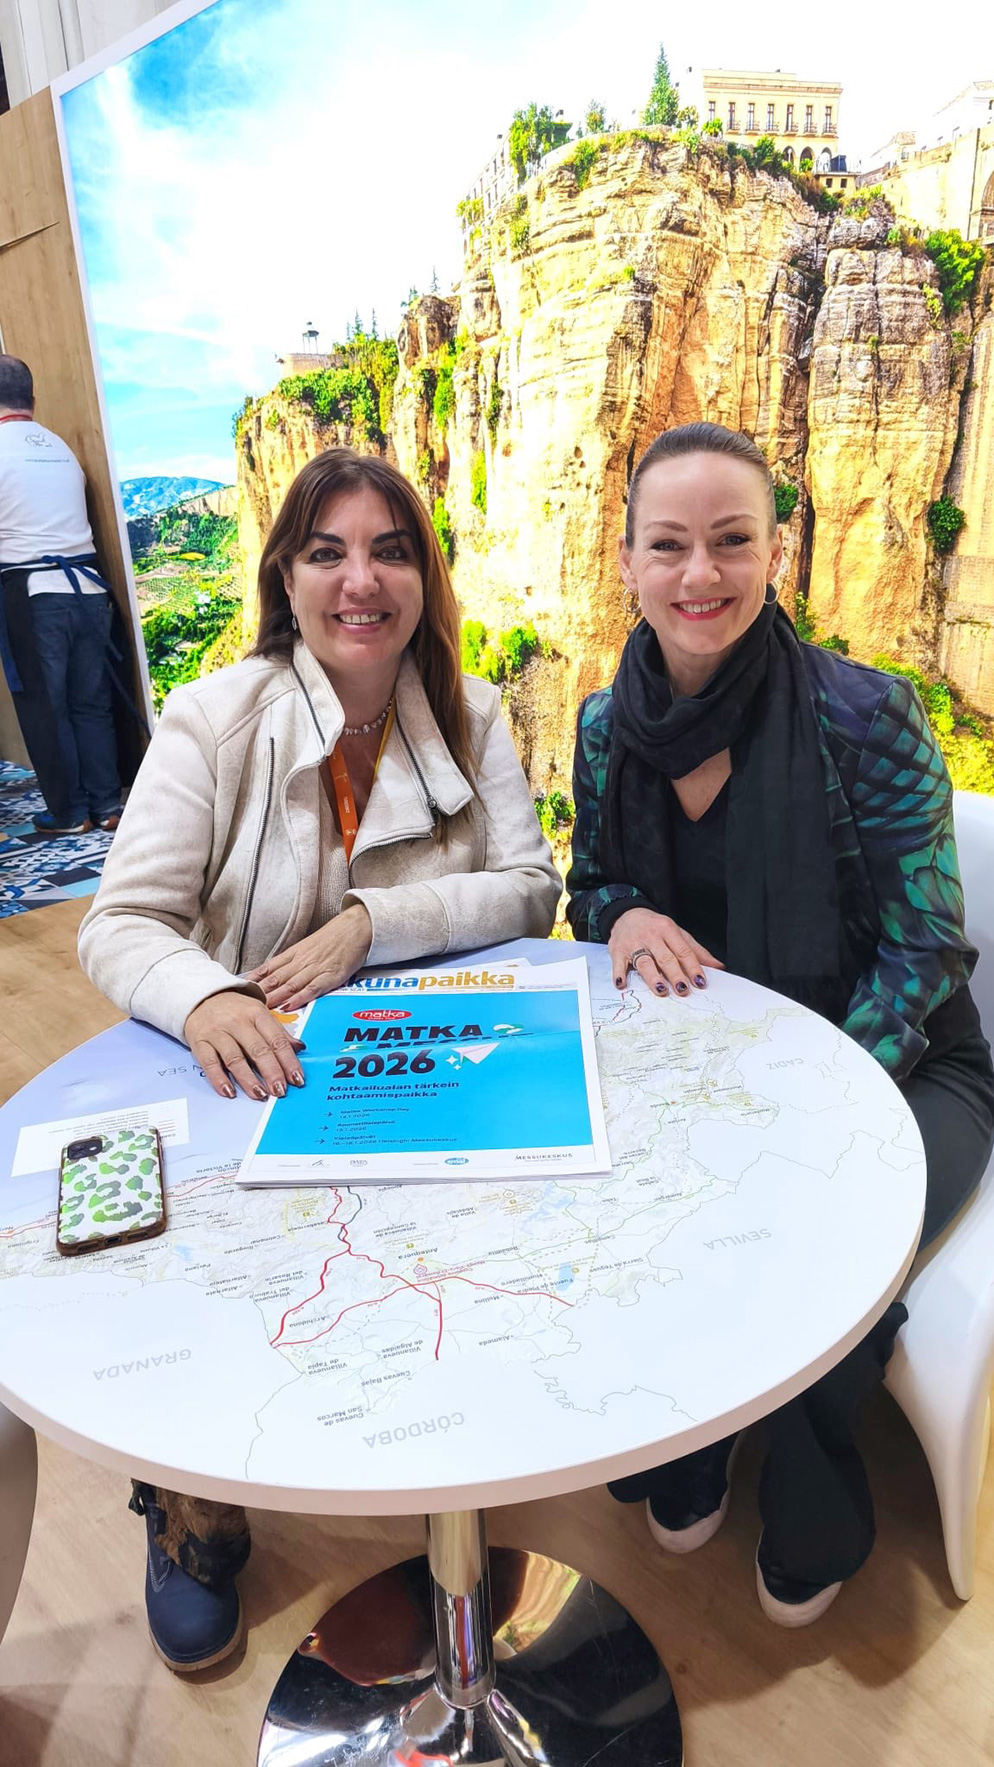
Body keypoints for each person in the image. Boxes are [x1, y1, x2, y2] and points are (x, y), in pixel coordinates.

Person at [78, 447, 561, 1671]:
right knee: (192, 1284)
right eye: (328, 552)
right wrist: (202, 998)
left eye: (391, 552)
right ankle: (191, 1516)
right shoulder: (211, 717)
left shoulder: (472, 713)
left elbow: (530, 888)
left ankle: (439, 1441)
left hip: (409, 1067)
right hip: (244, 1068)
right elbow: (118, 924)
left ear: (423, 578)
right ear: (284, 578)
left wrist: (369, 925)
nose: (362, 581)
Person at [567, 421, 994, 1628]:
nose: (699, 573)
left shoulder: (868, 718)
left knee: (826, 1244)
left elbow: (925, 950)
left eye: (731, 540)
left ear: (774, 553)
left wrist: (811, 1091)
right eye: (668, 545)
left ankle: (813, 1508)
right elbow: (589, 889)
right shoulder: (605, 728)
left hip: (906, 1065)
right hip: (704, 1055)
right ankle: (691, 1436)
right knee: (616, 1200)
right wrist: (625, 913)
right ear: (628, 562)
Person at [0, 355, 123, 834]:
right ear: (31, 399)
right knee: (90, 703)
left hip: (33, 595)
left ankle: (70, 814)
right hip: (88, 588)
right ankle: (107, 805)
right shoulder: (60, 448)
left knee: (44, 708)